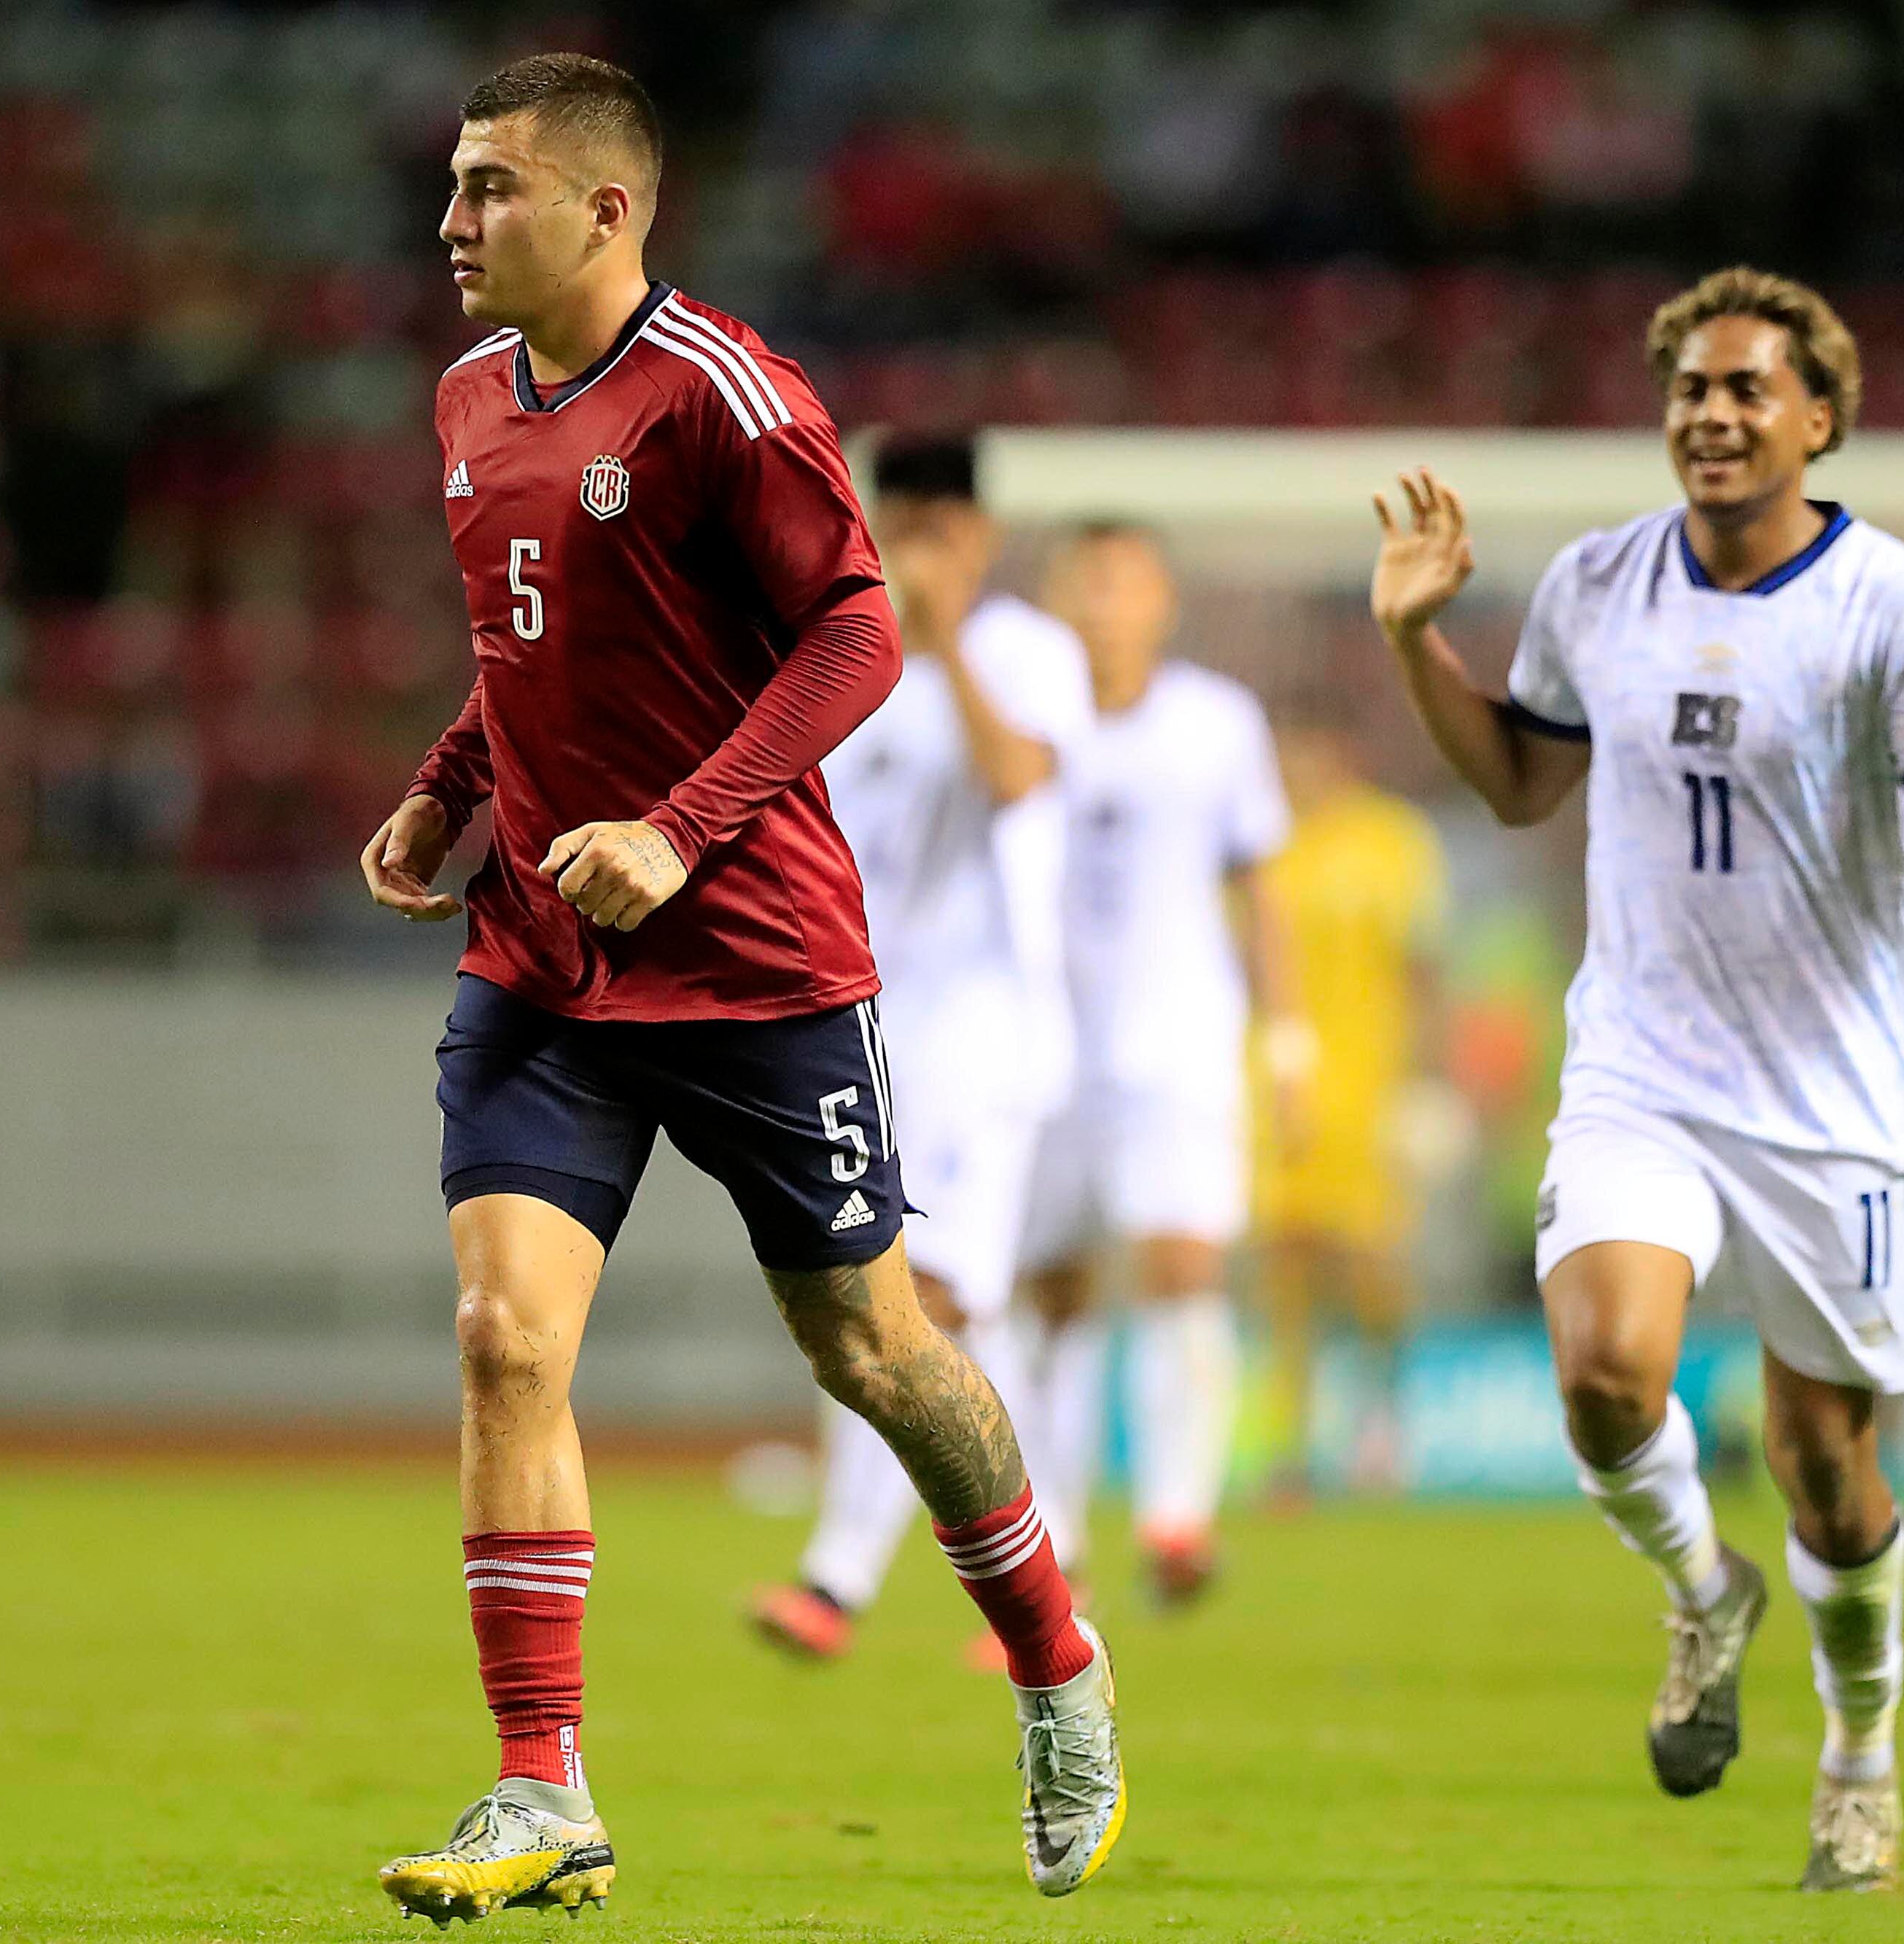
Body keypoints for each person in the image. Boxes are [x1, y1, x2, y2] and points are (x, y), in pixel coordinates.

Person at [360, 57, 1121, 1919]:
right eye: (453, 189)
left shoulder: (726, 397)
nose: (452, 223)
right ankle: (541, 1783)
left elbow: (854, 625)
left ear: (607, 210)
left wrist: (685, 828)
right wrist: (446, 790)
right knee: (502, 1335)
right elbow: (534, 646)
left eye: (490, 190)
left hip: (760, 960)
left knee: (873, 1348)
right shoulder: (468, 399)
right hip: (544, 958)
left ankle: (1051, 1653)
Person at [1364, 265, 1904, 1892]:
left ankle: (1859, 1760)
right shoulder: (1597, 585)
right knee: (1603, 1373)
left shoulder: (1890, 596)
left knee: (1825, 1464)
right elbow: (1522, 782)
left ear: (1818, 421)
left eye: (1746, 392)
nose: (1713, 416)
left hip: (1833, 1100)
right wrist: (1411, 639)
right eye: (1690, 391)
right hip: (1642, 1070)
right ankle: (1698, 1587)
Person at [749, 432, 1094, 1670]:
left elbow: (1019, 783)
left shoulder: (1025, 655)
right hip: (859, 1016)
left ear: (982, 536)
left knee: (915, 1297)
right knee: (944, 1312)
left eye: (943, 523)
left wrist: (942, 643)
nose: (920, 544)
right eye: (901, 520)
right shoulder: (834, 657)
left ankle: (835, 1579)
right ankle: (1060, 1566)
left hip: (985, 1027)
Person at [1016, 521, 1310, 1609]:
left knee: (1182, 1263)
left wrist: (1288, 1037)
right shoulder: (1017, 722)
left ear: (1162, 600)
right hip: (1043, 1043)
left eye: (1122, 583)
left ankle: (1179, 1517)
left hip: (1179, 1037)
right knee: (1053, 1290)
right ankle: (1055, 1541)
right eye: (1083, 582)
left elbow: (1261, 885)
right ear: (1053, 599)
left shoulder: (1216, 721)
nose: (1103, 604)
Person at [1252, 696, 1460, 1496]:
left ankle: (1380, 1420)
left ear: (1343, 753)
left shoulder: (1392, 841)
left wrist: (1428, 1080)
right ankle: (1288, 1450)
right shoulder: (1261, 842)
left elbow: (1425, 967)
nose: (1299, 768)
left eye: (1312, 749)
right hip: (1273, 1089)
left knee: (1374, 1271)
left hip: (1371, 1088)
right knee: (1285, 1271)